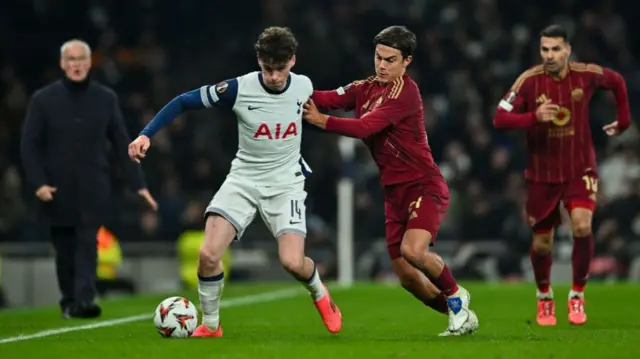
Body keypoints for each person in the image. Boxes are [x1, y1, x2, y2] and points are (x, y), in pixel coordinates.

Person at [128, 27, 342, 337]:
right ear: (259, 61)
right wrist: (146, 133)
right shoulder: (237, 89)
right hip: (243, 179)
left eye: (280, 68)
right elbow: (183, 101)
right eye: (267, 68)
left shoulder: (304, 86)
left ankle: (319, 291)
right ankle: (211, 325)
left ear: (292, 62)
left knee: (293, 262)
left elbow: (330, 107)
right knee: (208, 254)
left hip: (286, 184)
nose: (274, 76)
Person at [303, 25, 478, 336]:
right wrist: (285, 88)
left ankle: (456, 296)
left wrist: (322, 121)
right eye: (378, 57)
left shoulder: (406, 93)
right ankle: (461, 314)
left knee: (413, 251)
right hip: (394, 194)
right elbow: (324, 97)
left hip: (423, 186)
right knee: (408, 278)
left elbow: (365, 127)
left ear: (406, 61)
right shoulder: (365, 88)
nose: (382, 65)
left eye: (390, 59)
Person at [492, 24, 631, 326]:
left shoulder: (586, 74)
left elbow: (618, 81)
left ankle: (577, 295)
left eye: (556, 49)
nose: (550, 55)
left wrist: (623, 120)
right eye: (545, 49)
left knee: (582, 227)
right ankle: (545, 298)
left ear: (567, 49)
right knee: (543, 244)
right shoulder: (528, 81)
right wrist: (532, 117)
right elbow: (500, 118)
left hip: (579, 168)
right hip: (542, 174)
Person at [20, 39, 157, 318]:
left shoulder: (105, 99)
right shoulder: (43, 100)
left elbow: (121, 143)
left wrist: (138, 184)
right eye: (70, 59)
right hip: (56, 190)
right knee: (65, 249)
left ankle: (83, 300)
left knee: (87, 244)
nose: (76, 64)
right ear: (62, 64)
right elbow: (29, 145)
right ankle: (69, 300)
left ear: (89, 61)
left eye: (81, 58)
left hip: (93, 187)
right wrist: (38, 183)